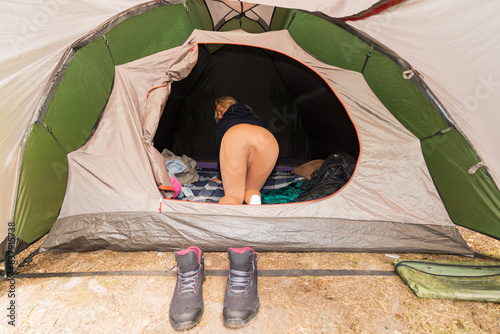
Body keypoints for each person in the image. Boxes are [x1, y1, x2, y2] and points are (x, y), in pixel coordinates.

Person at [214, 96, 280, 205]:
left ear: (229, 106)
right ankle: (254, 198)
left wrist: (221, 176)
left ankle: (224, 219)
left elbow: (220, 150)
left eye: (221, 111)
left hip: (236, 136)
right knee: (251, 189)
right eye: (218, 114)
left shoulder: (225, 122)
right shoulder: (254, 118)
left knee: (234, 194)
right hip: (268, 139)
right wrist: (267, 174)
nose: (220, 116)